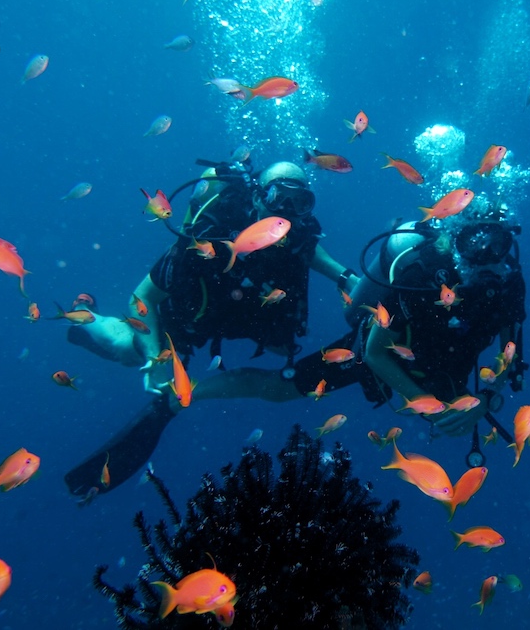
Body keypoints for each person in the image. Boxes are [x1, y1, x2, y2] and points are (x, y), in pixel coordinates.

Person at [64, 156, 360, 497]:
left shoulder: (295, 235)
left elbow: (313, 253)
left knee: (282, 349)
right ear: (259, 196)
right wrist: (154, 358)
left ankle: (180, 394)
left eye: (301, 201)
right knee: (128, 351)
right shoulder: (211, 230)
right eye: (281, 197)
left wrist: (345, 277)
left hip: (244, 312)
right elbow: (142, 297)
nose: (289, 210)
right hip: (190, 313)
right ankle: (87, 315)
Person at [189, 198, 529, 464]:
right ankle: (187, 393)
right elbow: (375, 352)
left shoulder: (509, 284)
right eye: (473, 244)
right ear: (457, 241)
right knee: (280, 388)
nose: (484, 257)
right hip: (382, 351)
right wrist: (424, 402)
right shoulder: (424, 276)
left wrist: (486, 400)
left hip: (443, 360)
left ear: (508, 246)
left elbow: (510, 354)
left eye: (495, 245)